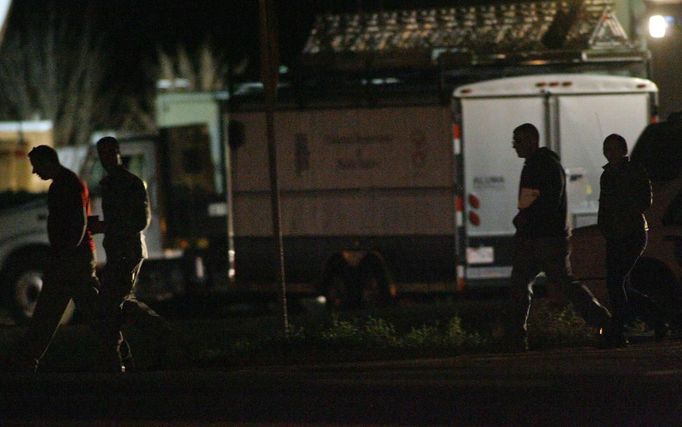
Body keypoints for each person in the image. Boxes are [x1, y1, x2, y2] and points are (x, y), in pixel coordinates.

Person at [8, 145, 119, 372]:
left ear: (49, 162)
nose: (34, 172)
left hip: (70, 259)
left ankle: (27, 360)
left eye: (37, 166)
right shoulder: (66, 183)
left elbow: (78, 223)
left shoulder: (67, 185)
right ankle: (116, 357)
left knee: (51, 311)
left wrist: (64, 254)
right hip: (72, 258)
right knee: (77, 311)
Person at [508, 123, 612, 351]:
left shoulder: (539, 166)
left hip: (544, 238)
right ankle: (604, 322)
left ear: (532, 141)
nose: (514, 145)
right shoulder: (543, 164)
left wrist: (523, 219)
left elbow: (536, 202)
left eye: (519, 140)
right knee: (558, 282)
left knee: (534, 283)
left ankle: (516, 337)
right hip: (546, 237)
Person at [89, 136, 171, 370]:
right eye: (101, 154)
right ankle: (138, 346)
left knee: (113, 303)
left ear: (117, 152)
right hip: (118, 251)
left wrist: (106, 227)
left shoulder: (130, 183)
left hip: (128, 252)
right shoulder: (110, 183)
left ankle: (126, 352)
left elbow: (140, 221)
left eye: (108, 153)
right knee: (119, 303)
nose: (104, 158)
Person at [598, 133, 652, 346]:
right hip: (613, 235)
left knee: (616, 281)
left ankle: (618, 331)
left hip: (632, 233)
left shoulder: (635, 171)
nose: (610, 153)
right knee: (619, 283)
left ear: (624, 150)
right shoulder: (607, 175)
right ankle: (654, 315)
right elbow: (603, 204)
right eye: (607, 149)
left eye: (613, 148)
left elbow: (645, 201)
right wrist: (604, 225)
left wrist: (624, 214)